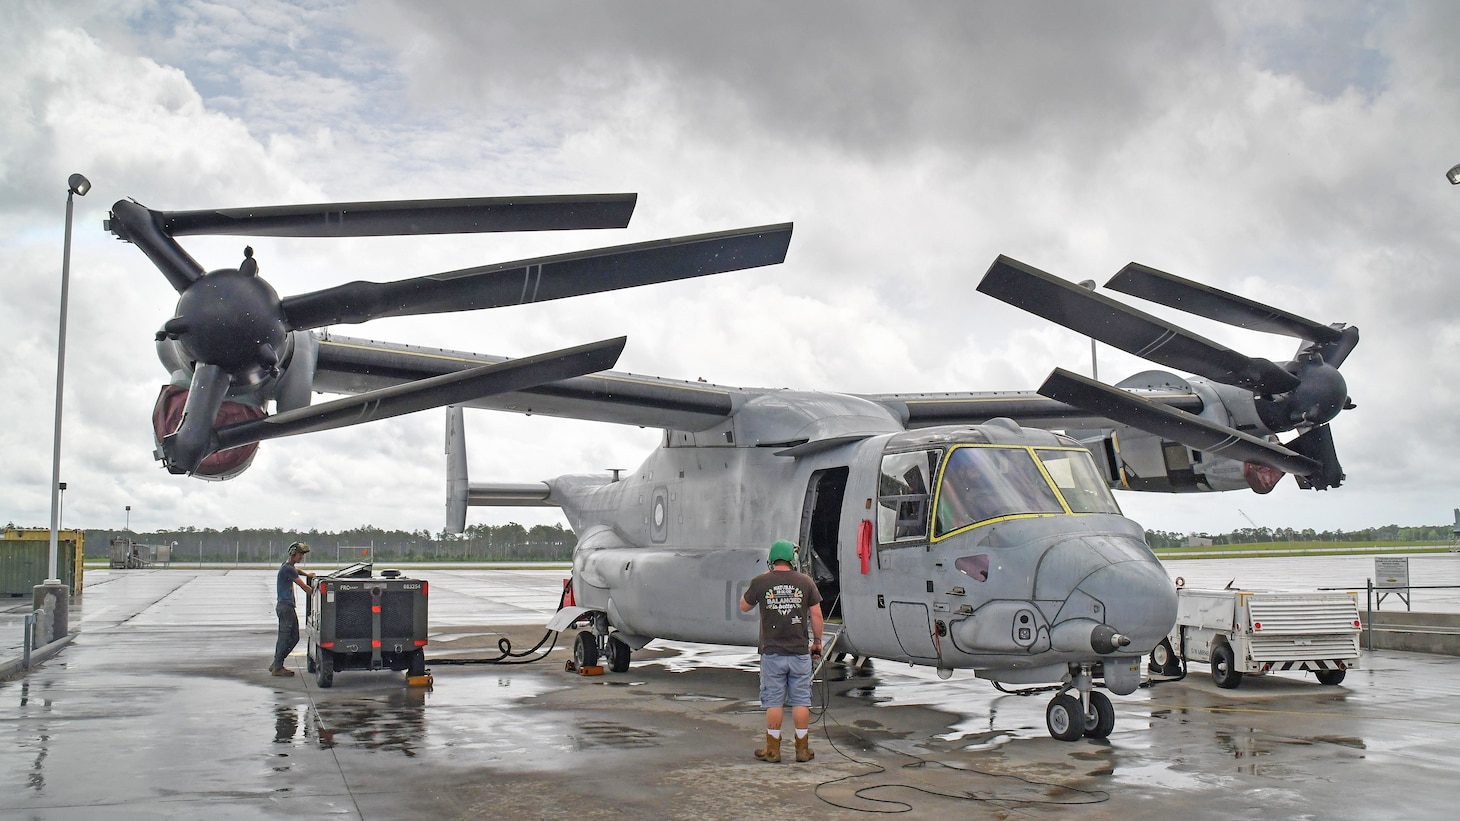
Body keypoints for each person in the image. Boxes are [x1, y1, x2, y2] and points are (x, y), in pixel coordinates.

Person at [740, 539, 824, 763]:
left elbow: (744, 605)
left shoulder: (761, 581)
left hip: (772, 652)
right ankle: (802, 750)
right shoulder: (805, 582)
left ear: (771, 560)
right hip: (799, 652)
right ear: (792, 560)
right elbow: (816, 614)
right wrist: (817, 641)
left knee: (774, 702)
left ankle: (773, 750)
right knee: (801, 701)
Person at [270, 542, 316, 676]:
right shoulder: (288, 569)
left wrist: (307, 575)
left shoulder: (287, 566)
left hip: (285, 607)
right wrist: (319, 592)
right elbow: (304, 587)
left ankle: (277, 663)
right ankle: (278, 666)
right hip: (286, 608)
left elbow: (296, 571)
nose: (301, 557)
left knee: (293, 637)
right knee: (286, 638)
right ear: (293, 554)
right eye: (300, 554)